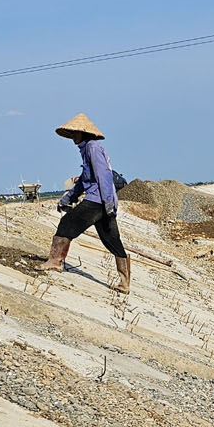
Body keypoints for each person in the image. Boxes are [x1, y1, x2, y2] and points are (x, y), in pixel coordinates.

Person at [40, 113, 129, 294]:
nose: (73, 137)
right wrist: (69, 197)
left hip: (98, 200)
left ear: (83, 133)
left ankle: (55, 262)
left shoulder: (93, 148)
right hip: (103, 201)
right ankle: (124, 283)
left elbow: (104, 177)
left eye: (75, 133)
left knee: (67, 224)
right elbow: (84, 180)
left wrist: (108, 203)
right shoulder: (87, 149)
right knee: (111, 240)